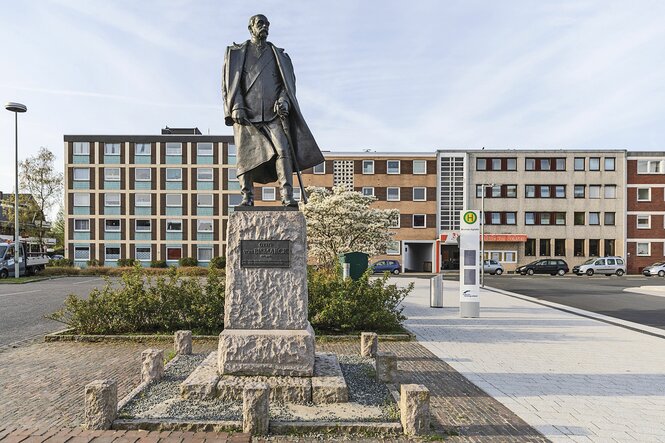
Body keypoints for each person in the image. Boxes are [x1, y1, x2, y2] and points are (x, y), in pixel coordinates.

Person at [222, 14, 324, 207]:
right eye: (261, 23)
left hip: (273, 114)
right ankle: (247, 197)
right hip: (246, 113)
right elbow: (229, 85)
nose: (265, 26)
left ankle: (287, 195)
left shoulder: (280, 56)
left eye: (267, 24)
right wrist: (235, 106)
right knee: (245, 156)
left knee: (283, 150)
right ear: (251, 27)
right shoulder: (235, 53)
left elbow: (288, 85)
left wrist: (284, 100)